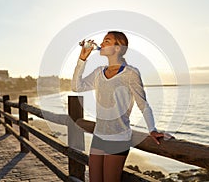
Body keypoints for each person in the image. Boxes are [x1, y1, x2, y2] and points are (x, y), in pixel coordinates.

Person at [72, 31, 173, 182]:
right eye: (103, 40)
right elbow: (76, 87)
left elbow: (142, 103)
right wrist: (82, 59)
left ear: (118, 48)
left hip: (118, 138)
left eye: (107, 40)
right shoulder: (99, 72)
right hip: (99, 136)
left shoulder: (131, 73)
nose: (102, 43)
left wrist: (152, 129)